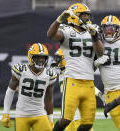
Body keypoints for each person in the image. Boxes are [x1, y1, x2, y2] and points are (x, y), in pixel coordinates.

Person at [47, 3, 105, 131]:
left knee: (88, 123)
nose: (86, 17)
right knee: (66, 119)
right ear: (74, 16)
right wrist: (58, 20)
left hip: (89, 82)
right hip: (72, 80)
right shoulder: (67, 31)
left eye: (87, 15)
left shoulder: (93, 29)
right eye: (83, 15)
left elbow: (101, 53)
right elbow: (51, 35)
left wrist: (95, 35)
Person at [1, 43, 57, 131]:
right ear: (30, 57)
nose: (40, 60)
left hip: (39, 114)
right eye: (37, 57)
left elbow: (49, 98)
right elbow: (10, 91)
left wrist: (50, 118)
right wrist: (5, 113)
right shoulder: (21, 70)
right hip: (22, 115)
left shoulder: (49, 74)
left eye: (43, 57)